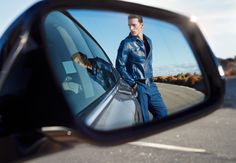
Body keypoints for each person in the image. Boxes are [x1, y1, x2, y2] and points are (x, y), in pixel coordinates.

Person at [116, 15, 168, 123]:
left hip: (151, 85)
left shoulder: (149, 41)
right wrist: (133, 84)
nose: (131, 28)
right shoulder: (126, 43)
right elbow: (119, 66)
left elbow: (148, 64)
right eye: (129, 26)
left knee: (163, 114)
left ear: (142, 25)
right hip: (139, 86)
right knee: (144, 120)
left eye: (134, 25)